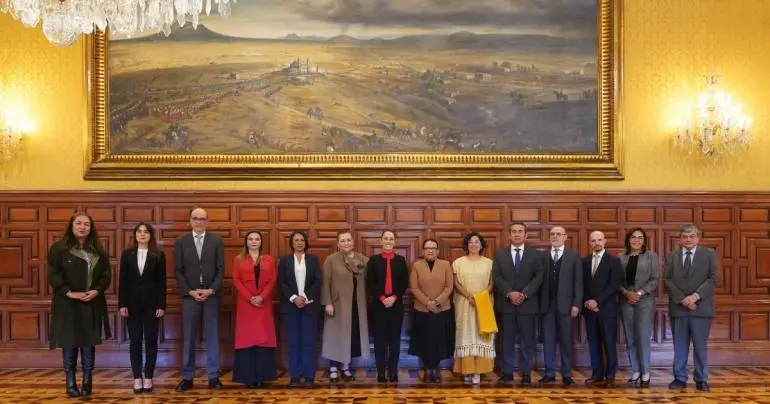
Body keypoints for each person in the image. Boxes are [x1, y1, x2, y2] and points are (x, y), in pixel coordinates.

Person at [48, 212, 111, 398]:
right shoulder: (59, 248)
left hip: (91, 302)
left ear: (91, 228)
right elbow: (53, 274)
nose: (82, 227)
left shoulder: (97, 250)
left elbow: (106, 274)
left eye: (86, 224)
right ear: (72, 225)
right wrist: (69, 292)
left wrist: (97, 290)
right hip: (68, 303)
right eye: (79, 223)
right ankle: (70, 383)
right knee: (69, 341)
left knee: (88, 342)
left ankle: (87, 382)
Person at [174, 207, 225, 391]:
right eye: (195, 218)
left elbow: (221, 269)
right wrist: (190, 291)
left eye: (202, 219)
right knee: (189, 337)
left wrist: (211, 290)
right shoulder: (181, 241)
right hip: (190, 297)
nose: (199, 222)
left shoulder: (216, 240)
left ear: (207, 221)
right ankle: (187, 377)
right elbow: (178, 270)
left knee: (213, 337)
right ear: (190, 220)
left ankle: (213, 376)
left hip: (212, 296)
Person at [664, 223, 718, 392]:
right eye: (685, 236)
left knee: (700, 346)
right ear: (680, 239)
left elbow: (712, 279)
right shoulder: (671, 256)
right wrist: (682, 299)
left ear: (698, 238)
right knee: (680, 346)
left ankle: (701, 379)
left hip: (701, 308)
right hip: (679, 308)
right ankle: (679, 378)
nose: (688, 239)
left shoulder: (709, 254)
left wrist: (695, 296)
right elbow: (667, 280)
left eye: (692, 236)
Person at [493, 222, 544, 386]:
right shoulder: (500, 254)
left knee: (527, 341)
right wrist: (510, 293)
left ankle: (526, 373)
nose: (517, 234)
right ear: (509, 235)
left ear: (525, 235)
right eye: (514, 231)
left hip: (527, 305)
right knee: (506, 341)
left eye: (520, 231)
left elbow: (539, 276)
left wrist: (524, 293)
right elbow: (497, 276)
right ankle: (507, 372)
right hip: (506, 304)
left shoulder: (535, 255)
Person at [118, 222, 167, 394]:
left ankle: (149, 377)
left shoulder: (158, 255)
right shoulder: (127, 254)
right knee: (135, 341)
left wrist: (161, 305)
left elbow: (162, 282)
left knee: (151, 341)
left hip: (152, 305)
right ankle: (137, 377)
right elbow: (123, 280)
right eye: (139, 231)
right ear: (135, 234)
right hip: (132, 304)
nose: (142, 234)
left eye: (146, 232)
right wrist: (122, 304)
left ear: (150, 235)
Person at [321, 230, 370, 383]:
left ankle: (346, 367)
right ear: (338, 244)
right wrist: (327, 302)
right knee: (334, 337)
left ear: (353, 242)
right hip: (337, 305)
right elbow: (325, 282)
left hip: (356, 305)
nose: (346, 243)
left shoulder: (362, 259)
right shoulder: (331, 259)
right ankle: (333, 368)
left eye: (348, 240)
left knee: (350, 337)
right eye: (342, 241)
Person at [232, 231, 277, 388]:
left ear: (261, 242)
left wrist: (262, 297)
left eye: (257, 239)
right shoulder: (238, 259)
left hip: (263, 304)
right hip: (246, 305)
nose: (253, 241)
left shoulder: (269, 259)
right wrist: (250, 298)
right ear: (246, 242)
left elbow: (273, 280)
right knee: (247, 339)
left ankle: (262, 377)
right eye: (250, 239)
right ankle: (248, 378)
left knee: (263, 339)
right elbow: (236, 280)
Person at [538, 226, 582, 386]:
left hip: (567, 306)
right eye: (552, 234)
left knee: (566, 340)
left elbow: (578, 282)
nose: (555, 237)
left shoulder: (573, 256)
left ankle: (566, 373)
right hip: (546, 304)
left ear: (565, 237)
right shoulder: (542, 255)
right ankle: (549, 373)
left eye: (558, 234)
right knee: (548, 340)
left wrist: (577, 304)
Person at [279, 230, 322, 387]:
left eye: (302, 240)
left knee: (308, 342)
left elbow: (318, 281)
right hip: (290, 307)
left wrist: (304, 297)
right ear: (291, 243)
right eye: (296, 240)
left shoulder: (313, 259)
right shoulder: (285, 260)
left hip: (309, 306)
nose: (299, 243)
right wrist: (294, 298)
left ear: (306, 242)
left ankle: (309, 376)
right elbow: (281, 282)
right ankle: (295, 376)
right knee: (293, 342)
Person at [408, 239, 454, 383]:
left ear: (438, 251)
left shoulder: (446, 265)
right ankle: (427, 369)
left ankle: (436, 368)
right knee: (424, 341)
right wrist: (428, 302)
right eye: (427, 248)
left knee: (439, 340)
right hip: (422, 309)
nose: (430, 250)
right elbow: (414, 287)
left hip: (442, 309)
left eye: (433, 248)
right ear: (423, 251)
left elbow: (449, 287)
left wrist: (437, 302)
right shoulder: (416, 266)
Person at [452, 232, 495, 385]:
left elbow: (492, 283)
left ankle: (478, 371)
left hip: (484, 303)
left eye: (477, 242)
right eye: (471, 242)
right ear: (467, 245)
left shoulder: (489, 263)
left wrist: (480, 297)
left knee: (481, 334)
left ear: (481, 245)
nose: (474, 244)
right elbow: (456, 283)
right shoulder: (458, 262)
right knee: (465, 334)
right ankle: (467, 370)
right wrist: (469, 296)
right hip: (464, 303)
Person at [618, 228, 659, 387]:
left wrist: (639, 293)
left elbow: (654, 280)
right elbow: (616, 281)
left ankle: (645, 372)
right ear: (628, 240)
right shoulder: (620, 257)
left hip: (645, 301)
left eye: (640, 238)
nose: (636, 240)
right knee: (630, 336)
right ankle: (635, 370)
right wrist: (626, 293)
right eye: (633, 237)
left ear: (644, 240)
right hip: (626, 300)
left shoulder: (651, 256)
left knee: (643, 336)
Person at [367, 230, 409, 383]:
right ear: (381, 241)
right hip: (378, 306)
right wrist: (382, 298)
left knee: (394, 341)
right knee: (379, 341)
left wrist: (394, 297)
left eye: (391, 239)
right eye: (386, 238)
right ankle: (380, 372)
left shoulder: (401, 260)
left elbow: (404, 282)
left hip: (396, 306)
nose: (388, 241)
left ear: (394, 242)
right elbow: (370, 282)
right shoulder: (373, 260)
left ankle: (393, 372)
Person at [582, 230, 622, 388]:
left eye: (599, 240)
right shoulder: (584, 261)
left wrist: (597, 301)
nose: (596, 243)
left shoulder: (614, 261)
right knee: (593, 343)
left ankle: (611, 375)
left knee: (609, 343)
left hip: (607, 309)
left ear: (605, 241)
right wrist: (588, 302)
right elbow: (581, 284)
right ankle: (597, 374)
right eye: (593, 240)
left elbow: (614, 285)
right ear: (589, 243)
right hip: (589, 310)